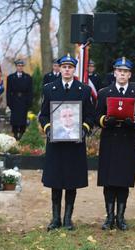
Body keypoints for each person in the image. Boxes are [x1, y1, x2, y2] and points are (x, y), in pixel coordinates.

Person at [39, 54, 95, 231]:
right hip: (55, 143)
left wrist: (83, 130)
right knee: (55, 181)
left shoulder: (83, 90)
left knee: (72, 180)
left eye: (70, 67)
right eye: (64, 67)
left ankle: (68, 219)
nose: (67, 70)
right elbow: (44, 115)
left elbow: (90, 115)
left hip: (75, 144)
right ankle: (55, 218)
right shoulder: (49, 89)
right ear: (60, 69)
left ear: (74, 70)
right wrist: (48, 129)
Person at [96, 57, 135, 231]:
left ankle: (121, 217)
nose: (122, 74)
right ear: (114, 72)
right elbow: (97, 116)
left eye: (125, 72)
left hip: (128, 140)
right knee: (109, 180)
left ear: (130, 74)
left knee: (123, 180)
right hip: (110, 139)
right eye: (119, 71)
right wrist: (105, 120)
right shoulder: (104, 92)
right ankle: (109, 217)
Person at [6, 59, 33, 140]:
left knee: (22, 118)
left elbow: (30, 91)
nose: (20, 67)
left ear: (23, 67)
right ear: (16, 66)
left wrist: (29, 102)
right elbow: (8, 91)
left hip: (24, 100)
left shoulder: (28, 77)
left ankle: (21, 133)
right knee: (14, 119)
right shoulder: (10, 77)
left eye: (21, 66)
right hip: (14, 100)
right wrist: (9, 103)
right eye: (18, 66)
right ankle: (15, 133)